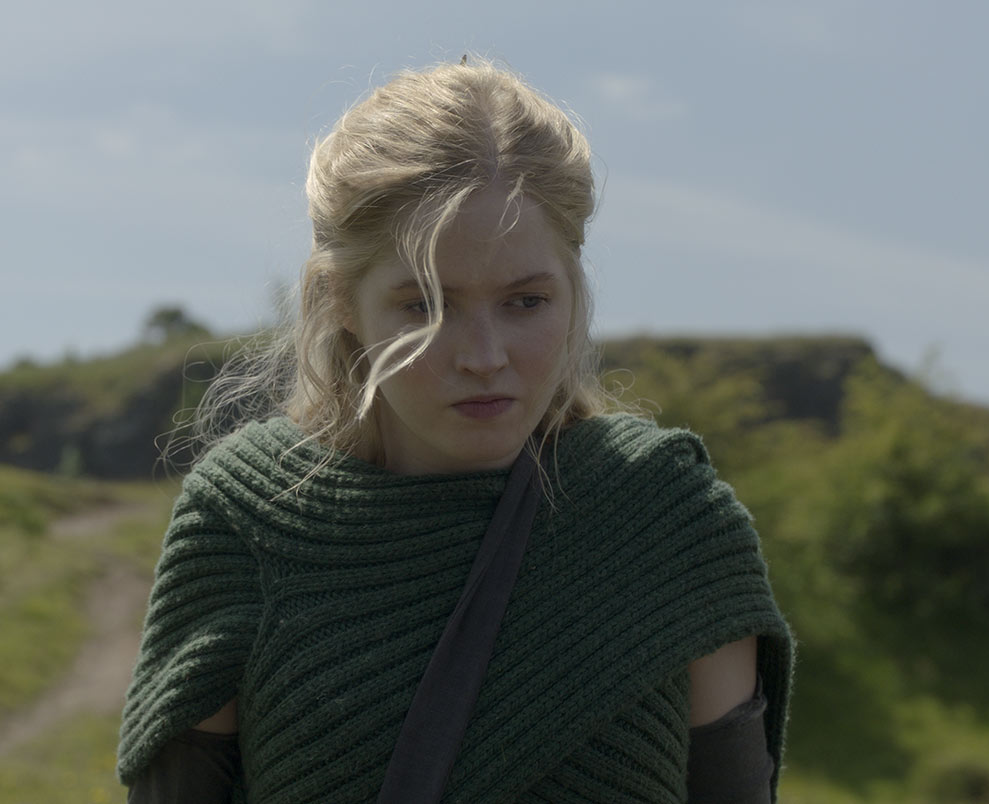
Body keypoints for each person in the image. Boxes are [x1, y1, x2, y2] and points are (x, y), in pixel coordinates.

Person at [117, 55, 795, 803]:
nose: (483, 357)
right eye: (424, 306)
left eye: (526, 302)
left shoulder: (668, 518)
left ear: (572, 283)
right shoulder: (247, 520)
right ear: (345, 302)